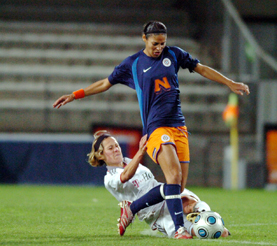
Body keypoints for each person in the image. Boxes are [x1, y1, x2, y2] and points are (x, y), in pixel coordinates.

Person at [54, 21, 250, 238]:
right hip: (156, 128)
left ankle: (133, 207)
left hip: (179, 127)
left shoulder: (174, 55)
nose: (159, 48)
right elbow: (105, 83)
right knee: (173, 177)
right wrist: (75, 94)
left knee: (177, 187)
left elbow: (201, 68)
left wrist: (229, 82)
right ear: (144, 38)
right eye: (155, 43)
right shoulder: (134, 63)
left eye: (162, 43)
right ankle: (179, 229)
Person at [87, 130, 230, 238]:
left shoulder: (130, 161)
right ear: (100, 155)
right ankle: (204, 228)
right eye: (110, 148)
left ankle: (211, 223)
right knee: (188, 233)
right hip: (154, 213)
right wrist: (141, 151)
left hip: (165, 194)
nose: (116, 149)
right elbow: (125, 176)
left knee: (194, 204)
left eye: (116, 145)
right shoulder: (109, 179)